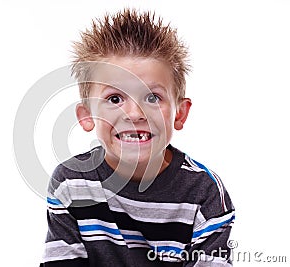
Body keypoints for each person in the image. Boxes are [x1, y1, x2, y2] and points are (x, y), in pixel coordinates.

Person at [40, 9, 235, 267]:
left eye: (152, 97)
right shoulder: (70, 184)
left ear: (180, 114)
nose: (134, 113)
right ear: (87, 116)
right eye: (115, 98)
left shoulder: (205, 195)